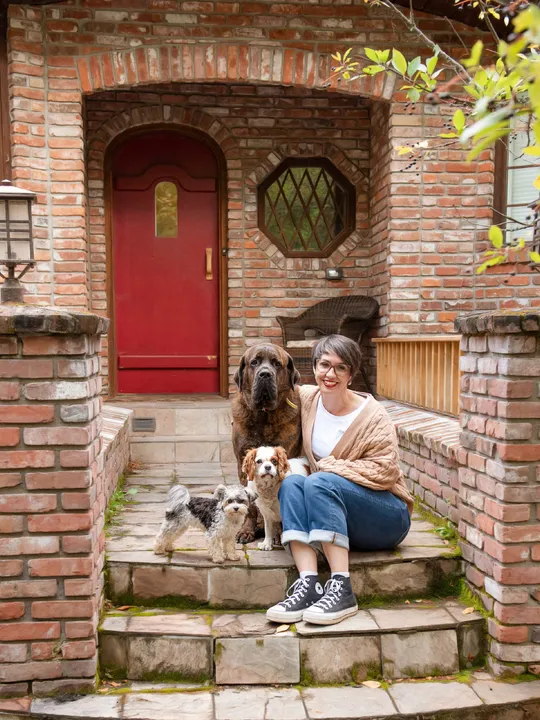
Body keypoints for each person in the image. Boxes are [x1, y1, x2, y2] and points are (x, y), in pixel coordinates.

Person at [266, 334, 413, 626]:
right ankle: (308, 584)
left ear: (351, 373)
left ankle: (342, 588)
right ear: (315, 367)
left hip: (385, 517)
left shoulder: (372, 416)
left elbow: (386, 471)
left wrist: (329, 468)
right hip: (339, 520)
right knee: (293, 482)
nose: (330, 374)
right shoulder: (307, 399)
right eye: (324, 365)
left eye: (340, 368)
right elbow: (272, 388)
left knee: (319, 481)